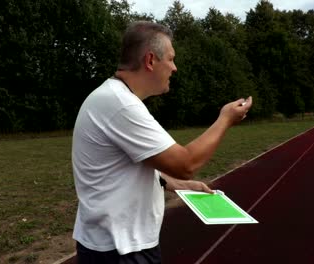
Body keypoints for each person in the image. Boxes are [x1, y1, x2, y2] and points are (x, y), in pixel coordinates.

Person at [71, 21, 252, 264]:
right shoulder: (121, 104)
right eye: (170, 58)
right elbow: (185, 163)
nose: (175, 68)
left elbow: (129, 169)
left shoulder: (115, 98)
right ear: (150, 61)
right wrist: (225, 119)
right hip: (121, 251)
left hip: (113, 246)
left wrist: (180, 185)